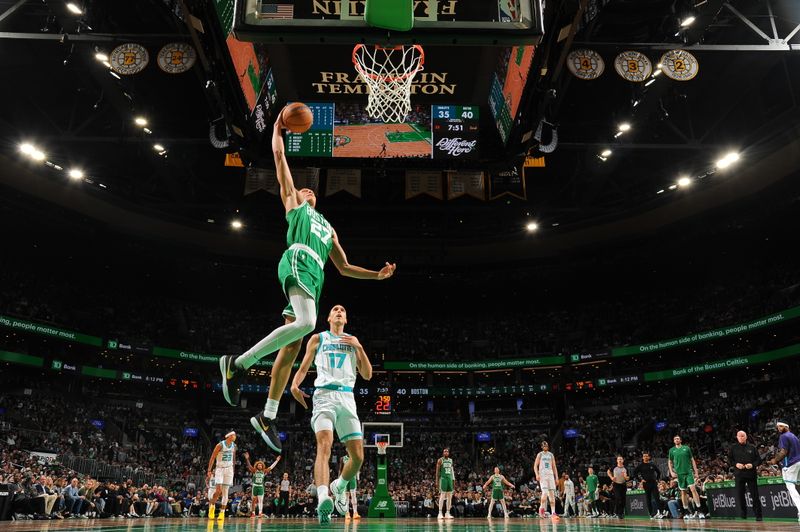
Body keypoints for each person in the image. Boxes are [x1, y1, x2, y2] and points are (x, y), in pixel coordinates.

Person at [219, 109, 396, 453]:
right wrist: (276, 128)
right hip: (299, 259)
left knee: (293, 344)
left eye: (310, 190)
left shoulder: (328, 228)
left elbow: (343, 267)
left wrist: (377, 275)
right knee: (308, 322)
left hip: (317, 276)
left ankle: (267, 414)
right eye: (302, 189)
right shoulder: (294, 208)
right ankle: (238, 364)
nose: (306, 190)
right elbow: (278, 156)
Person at [289, 304, 372, 523]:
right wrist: (295, 385)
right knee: (324, 445)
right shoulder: (318, 338)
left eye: (343, 310)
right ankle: (324, 497)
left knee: (358, 457)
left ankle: (340, 485)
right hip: (324, 396)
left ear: (345, 319)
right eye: (335, 310)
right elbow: (304, 367)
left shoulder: (353, 341)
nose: (339, 311)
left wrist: (360, 348)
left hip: (347, 398)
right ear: (328, 318)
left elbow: (368, 374)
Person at [768, 421, 800, 523]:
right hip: (799, 462)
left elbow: (783, 452)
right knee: (797, 486)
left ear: (787, 426)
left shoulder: (784, 436)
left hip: (791, 464)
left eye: (781, 426)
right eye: (778, 427)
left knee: (791, 488)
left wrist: (775, 460)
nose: (779, 428)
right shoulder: (794, 436)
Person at [728, 430, 762, 521]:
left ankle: (758, 515)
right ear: (737, 437)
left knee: (755, 495)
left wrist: (753, 465)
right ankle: (743, 514)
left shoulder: (752, 447)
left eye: (743, 436)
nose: (741, 437)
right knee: (740, 495)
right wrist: (735, 464)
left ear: (746, 437)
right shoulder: (733, 448)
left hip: (751, 474)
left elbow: (759, 460)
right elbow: (730, 460)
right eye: (739, 436)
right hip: (739, 474)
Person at [668, 435, 704, 519]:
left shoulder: (686, 448)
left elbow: (692, 460)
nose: (676, 440)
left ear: (680, 440)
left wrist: (696, 472)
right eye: (675, 439)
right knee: (683, 492)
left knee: (693, 489)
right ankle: (686, 512)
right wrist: (671, 472)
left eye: (678, 438)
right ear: (674, 441)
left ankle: (699, 510)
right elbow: (669, 462)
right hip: (679, 474)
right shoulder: (671, 450)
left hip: (688, 472)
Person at [206, 431, 236, 521]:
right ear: (228, 436)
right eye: (233, 435)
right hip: (220, 469)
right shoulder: (220, 445)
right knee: (218, 491)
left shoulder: (234, 445)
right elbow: (212, 457)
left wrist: (233, 468)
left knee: (225, 492)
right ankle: (212, 506)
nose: (235, 437)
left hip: (229, 469)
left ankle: (222, 513)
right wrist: (209, 470)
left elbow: (233, 458)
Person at [244, 452, 281, 517]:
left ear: (262, 466)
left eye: (261, 465)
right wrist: (247, 459)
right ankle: (253, 513)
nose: (260, 466)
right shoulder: (254, 471)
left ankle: (260, 513)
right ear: (257, 466)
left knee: (260, 501)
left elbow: (271, 467)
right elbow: (249, 466)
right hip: (255, 486)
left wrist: (277, 461)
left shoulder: (264, 471)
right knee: (253, 501)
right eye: (258, 465)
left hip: (261, 487)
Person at [534, 441, 560, 521]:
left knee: (552, 496)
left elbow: (554, 466)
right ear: (542, 447)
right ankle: (541, 508)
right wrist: (537, 474)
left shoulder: (551, 454)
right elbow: (535, 466)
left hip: (550, 475)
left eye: (546, 445)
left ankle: (553, 513)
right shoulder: (540, 454)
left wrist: (556, 477)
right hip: (543, 475)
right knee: (544, 493)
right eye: (544, 446)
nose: (545, 447)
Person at [633, 451, 662, 519]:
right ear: (642, 458)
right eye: (644, 456)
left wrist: (657, 479)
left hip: (654, 483)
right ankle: (651, 514)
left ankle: (661, 512)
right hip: (646, 484)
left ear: (649, 457)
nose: (645, 457)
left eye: (647, 456)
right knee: (648, 499)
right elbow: (635, 473)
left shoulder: (652, 465)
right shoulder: (640, 466)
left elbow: (659, 472)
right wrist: (640, 480)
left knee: (657, 498)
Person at [337, 453, 361, 520]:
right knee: (346, 497)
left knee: (353, 495)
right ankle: (347, 513)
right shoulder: (342, 458)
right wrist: (338, 479)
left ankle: (355, 513)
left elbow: (357, 470)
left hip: (352, 478)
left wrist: (358, 479)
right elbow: (340, 469)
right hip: (345, 479)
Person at [436, 447, 455, 519]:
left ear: (449, 453)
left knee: (450, 496)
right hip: (443, 479)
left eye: (447, 452)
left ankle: (447, 512)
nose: (446, 453)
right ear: (443, 453)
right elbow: (437, 472)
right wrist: (437, 481)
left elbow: (452, 472)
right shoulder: (440, 460)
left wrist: (453, 480)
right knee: (442, 495)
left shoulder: (451, 460)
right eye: (444, 451)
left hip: (449, 479)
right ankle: (440, 512)